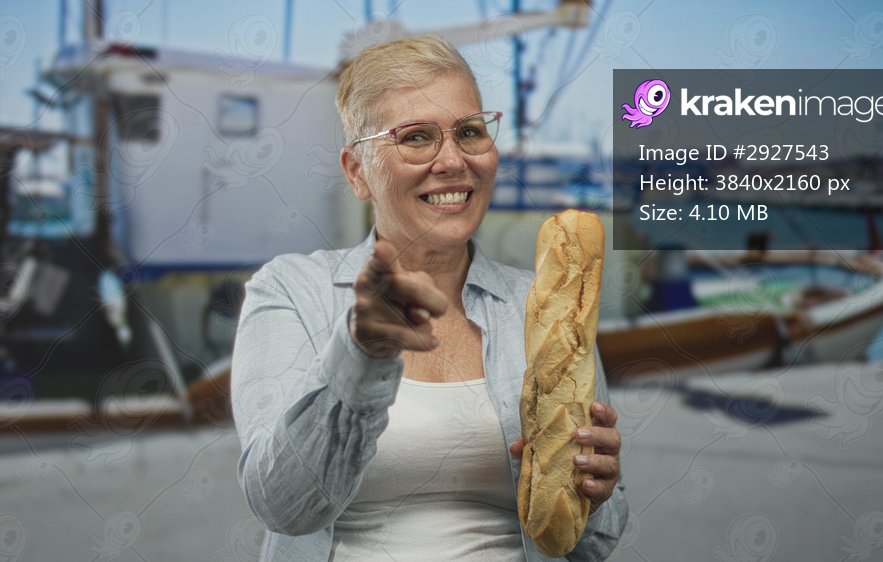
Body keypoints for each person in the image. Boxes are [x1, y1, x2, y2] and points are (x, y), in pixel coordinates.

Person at [232, 35, 627, 561]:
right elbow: (280, 505)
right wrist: (359, 355)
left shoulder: (547, 309)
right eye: (416, 137)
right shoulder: (291, 291)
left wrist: (593, 499)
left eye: (470, 132)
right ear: (357, 172)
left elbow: (593, 545)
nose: (453, 161)